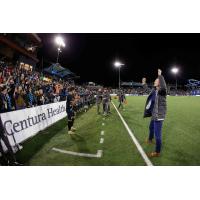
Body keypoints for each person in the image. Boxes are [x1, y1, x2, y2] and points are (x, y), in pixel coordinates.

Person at [144, 69, 167, 157]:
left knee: (158, 135)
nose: (154, 81)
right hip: (154, 114)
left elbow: (164, 86)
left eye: (156, 80)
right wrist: (144, 84)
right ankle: (150, 139)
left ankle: (157, 152)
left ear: (159, 83)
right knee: (151, 127)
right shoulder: (155, 91)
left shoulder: (162, 92)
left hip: (159, 116)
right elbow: (147, 90)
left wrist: (160, 76)